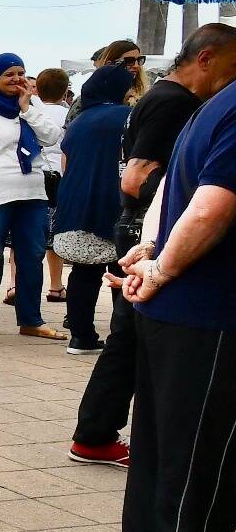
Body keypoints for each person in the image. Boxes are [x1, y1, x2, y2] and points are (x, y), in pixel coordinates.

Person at [115, 37, 236, 532]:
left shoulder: (210, 105)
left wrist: (152, 253)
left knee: (163, 454)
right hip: (209, 311)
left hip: (179, 309)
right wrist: (160, 265)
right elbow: (212, 207)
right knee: (201, 466)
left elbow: (175, 194)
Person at [74, 32, 228, 468]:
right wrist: (190, 190)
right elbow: (135, 176)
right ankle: (97, 434)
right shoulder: (174, 102)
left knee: (131, 337)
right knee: (134, 338)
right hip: (149, 230)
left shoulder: (165, 98)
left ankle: (96, 433)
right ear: (206, 59)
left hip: (146, 228)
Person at [0, 53, 66, 340]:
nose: (17, 79)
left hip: (32, 193)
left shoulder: (30, 108)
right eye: (9, 74)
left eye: (21, 73)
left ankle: (31, 320)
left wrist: (27, 108)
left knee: (32, 255)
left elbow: (51, 137)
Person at [53, 63, 136, 356]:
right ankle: (122, 339)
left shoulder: (80, 121)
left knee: (84, 272)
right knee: (122, 272)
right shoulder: (127, 117)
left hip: (76, 203)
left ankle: (81, 336)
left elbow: (66, 163)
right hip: (113, 201)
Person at [31, 67, 73, 305]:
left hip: (34, 175)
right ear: (65, 91)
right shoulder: (69, 116)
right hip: (60, 177)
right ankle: (56, 285)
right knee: (54, 233)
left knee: (28, 232)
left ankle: (15, 284)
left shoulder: (31, 111)